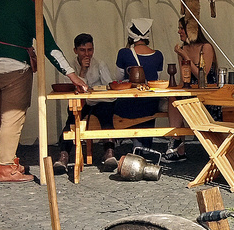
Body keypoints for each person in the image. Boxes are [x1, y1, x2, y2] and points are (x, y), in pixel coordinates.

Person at [0, 0, 85, 182]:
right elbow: (49, 47)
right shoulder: (30, 8)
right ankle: (5, 169)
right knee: (12, 119)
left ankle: (8, 158)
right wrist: (72, 75)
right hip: (14, 69)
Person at [54, 33, 115, 173]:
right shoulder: (70, 67)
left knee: (106, 112)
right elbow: (69, 89)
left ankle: (109, 152)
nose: (87, 54)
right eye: (83, 50)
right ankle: (63, 155)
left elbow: (109, 87)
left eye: (90, 50)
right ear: (75, 50)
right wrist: (82, 71)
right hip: (81, 102)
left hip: (99, 102)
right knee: (72, 118)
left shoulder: (100, 64)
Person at [111, 18, 164, 165]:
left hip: (128, 104)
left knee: (115, 104)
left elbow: (118, 79)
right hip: (150, 104)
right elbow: (157, 79)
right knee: (148, 105)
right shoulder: (158, 55)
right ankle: (143, 143)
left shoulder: (124, 53)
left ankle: (122, 137)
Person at [164, 16, 217, 163]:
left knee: (178, 100)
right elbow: (185, 77)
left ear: (191, 30)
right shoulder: (184, 48)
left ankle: (176, 144)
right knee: (173, 98)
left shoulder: (205, 47)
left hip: (207, 94)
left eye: (182, 28)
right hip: (191, 92)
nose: (179, 31)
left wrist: (185, 56)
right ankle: (176, 144)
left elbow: (202, 76)